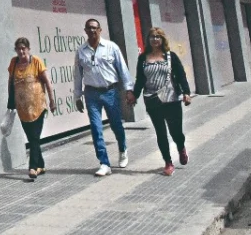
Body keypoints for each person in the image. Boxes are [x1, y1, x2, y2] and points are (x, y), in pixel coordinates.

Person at [126, 28, 192, 176]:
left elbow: (181, 76)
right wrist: (134, 95)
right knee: (161, 133)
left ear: (162, 40)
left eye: (158, 37)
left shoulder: (171, 56)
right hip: (152, 100)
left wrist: (186, 93)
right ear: (148, 40)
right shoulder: (143, 58)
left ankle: (181, 147)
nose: (155, 39)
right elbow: (141, 79)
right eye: (152, 37)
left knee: (176, 132)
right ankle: (168, 162)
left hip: (172, 99)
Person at [73, 18, 133, 177]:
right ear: (85, 31)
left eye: (95, 28)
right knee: (95, 127)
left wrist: (128, 89)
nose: (92, 31)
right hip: (91, 93)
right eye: (89, 28)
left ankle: (122, 148)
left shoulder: (111, 47)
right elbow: (77, 75)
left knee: (115, 124)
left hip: (110, 92)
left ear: (100, 30)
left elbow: (122, 69)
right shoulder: (81, 51)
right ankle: (104, 163)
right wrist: (77, 96)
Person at [7, 37, 57, 180]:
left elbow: (47, 82)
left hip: (38, 106)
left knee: (34, 137)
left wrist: (52, 101)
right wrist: (10, 102)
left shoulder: (36, 62)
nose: (21, 51)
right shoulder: (14, 63)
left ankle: (33, 167)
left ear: (28, 49)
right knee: (31, 137)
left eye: (24, 48)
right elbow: (10, 82)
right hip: (22, 108)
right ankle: (41, 165)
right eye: (18, 49)